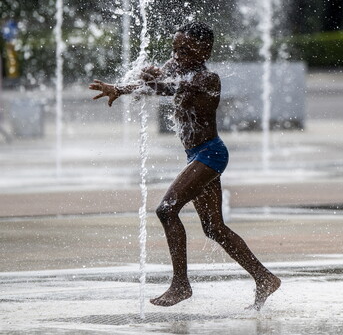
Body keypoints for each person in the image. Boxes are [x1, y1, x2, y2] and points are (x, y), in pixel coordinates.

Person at [89, 22, 281, 309]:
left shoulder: (208, 78)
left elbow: (166, 88)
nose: (177, 55)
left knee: (166, 210)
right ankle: (264, 278)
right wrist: (123, 87)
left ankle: (180, 284)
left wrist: (149, 82)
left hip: (211, 155)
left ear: (204, 49)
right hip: (197, 156)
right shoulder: (177, 66)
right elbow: (156, 83)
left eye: (185, 49)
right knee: (214, 228)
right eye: (175, 49)